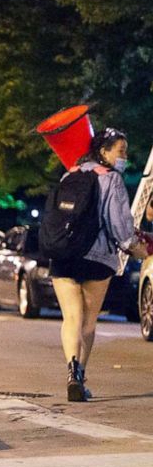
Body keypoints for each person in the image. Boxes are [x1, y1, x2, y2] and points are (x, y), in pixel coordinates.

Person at [50, 128, 147, 401]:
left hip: (64, 255)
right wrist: (134, 248)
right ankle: (80, 374)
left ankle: (70, 371)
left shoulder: (70, 174)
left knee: (71, 318)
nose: (124, 157)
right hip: (97, 257)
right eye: (121, 151)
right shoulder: (112, 180)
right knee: (88, 322)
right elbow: (120, 226)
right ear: (103, 152)